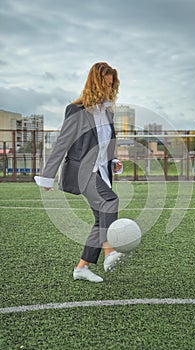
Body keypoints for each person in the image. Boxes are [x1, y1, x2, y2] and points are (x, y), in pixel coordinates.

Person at [35, 62, 124, 283]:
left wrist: (113, 161)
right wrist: (48, 176)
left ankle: (81, 268)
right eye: (106, 84)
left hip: (100, 171)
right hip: (82, 171)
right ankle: (109, 250)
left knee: (100, 219)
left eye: (112, 85)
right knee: (110, 201)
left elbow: (105, 143)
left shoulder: (109, 112)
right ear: (96, 83)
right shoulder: (76, 110)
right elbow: (62, 144)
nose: (110, 89)